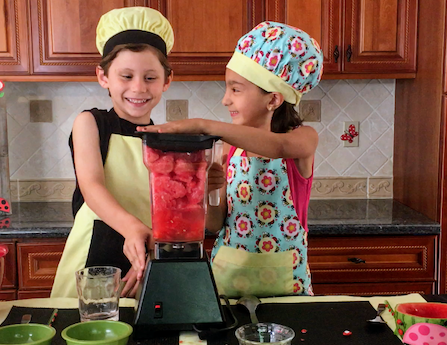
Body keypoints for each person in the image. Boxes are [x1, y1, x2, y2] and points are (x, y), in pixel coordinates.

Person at [138, 21, 323, 297]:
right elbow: (215, 224)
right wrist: (211, 192)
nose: (225, 100)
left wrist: (205, 125)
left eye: (235, 89)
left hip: (287, 290)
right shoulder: (227, 150)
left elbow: (279, 147)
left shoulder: (303, 140)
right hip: (228, 285)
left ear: (273, 100)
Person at [51, 7, 174, 298]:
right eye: (126, 76)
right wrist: (133, 230)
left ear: (167, 80)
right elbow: (92, 186)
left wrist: (152, 253)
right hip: (93, 257)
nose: (138, 87)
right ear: (103, 76)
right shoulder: (91, 123)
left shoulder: (166, 139)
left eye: (150, 78)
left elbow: (167, 212)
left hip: (142, 261)